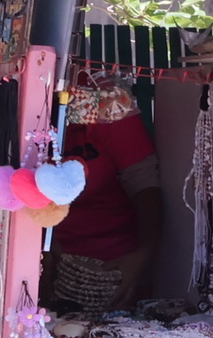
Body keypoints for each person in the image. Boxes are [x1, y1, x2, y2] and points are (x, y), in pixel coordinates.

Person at [42, 81, 162, 308]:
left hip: (114, 266)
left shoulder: (107, 101)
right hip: (41, 263)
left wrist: (143, 255)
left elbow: (144, 182)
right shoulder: (15, 104)